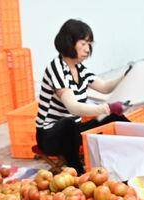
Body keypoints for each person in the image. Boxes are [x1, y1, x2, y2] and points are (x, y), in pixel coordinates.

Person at [36, 19, 131, 173]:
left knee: (113, 117)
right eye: (83, 44)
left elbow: (105, 87)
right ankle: (78, 171)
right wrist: (106, 107)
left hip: (74, 132)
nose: (88, 49)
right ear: (69, 42)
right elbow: (73, 107)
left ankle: (139, 150)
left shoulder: (79, 68)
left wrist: (125, 76)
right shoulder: (56, 68)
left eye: (89, 45)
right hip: (50, 137)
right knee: (68, 123)